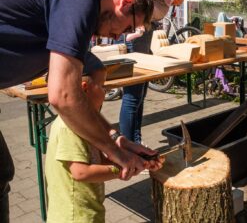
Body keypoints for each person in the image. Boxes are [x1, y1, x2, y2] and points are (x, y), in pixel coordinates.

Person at [0, 0, 162, 221]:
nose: (120, 35)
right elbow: (64, 96)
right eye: (128, 27)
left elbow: (76, 94)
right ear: (127, 2)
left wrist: (115, 138)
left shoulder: (75, 2)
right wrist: (116, 154)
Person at [45, 66, 163, 223]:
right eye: (102, 86)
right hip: (75, 217)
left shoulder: (87, 124)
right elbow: (81, 172)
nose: (106, 91)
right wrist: (121, 169)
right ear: (84, 88)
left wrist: (135, 160)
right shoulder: (68, 127)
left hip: (89, 212)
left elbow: (97, 160)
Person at [97, 0, 186, 145]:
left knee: (140, 92)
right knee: (133, 94)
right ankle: (129, 146)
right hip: (128, 29)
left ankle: (135, 142)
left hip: (145, 28)